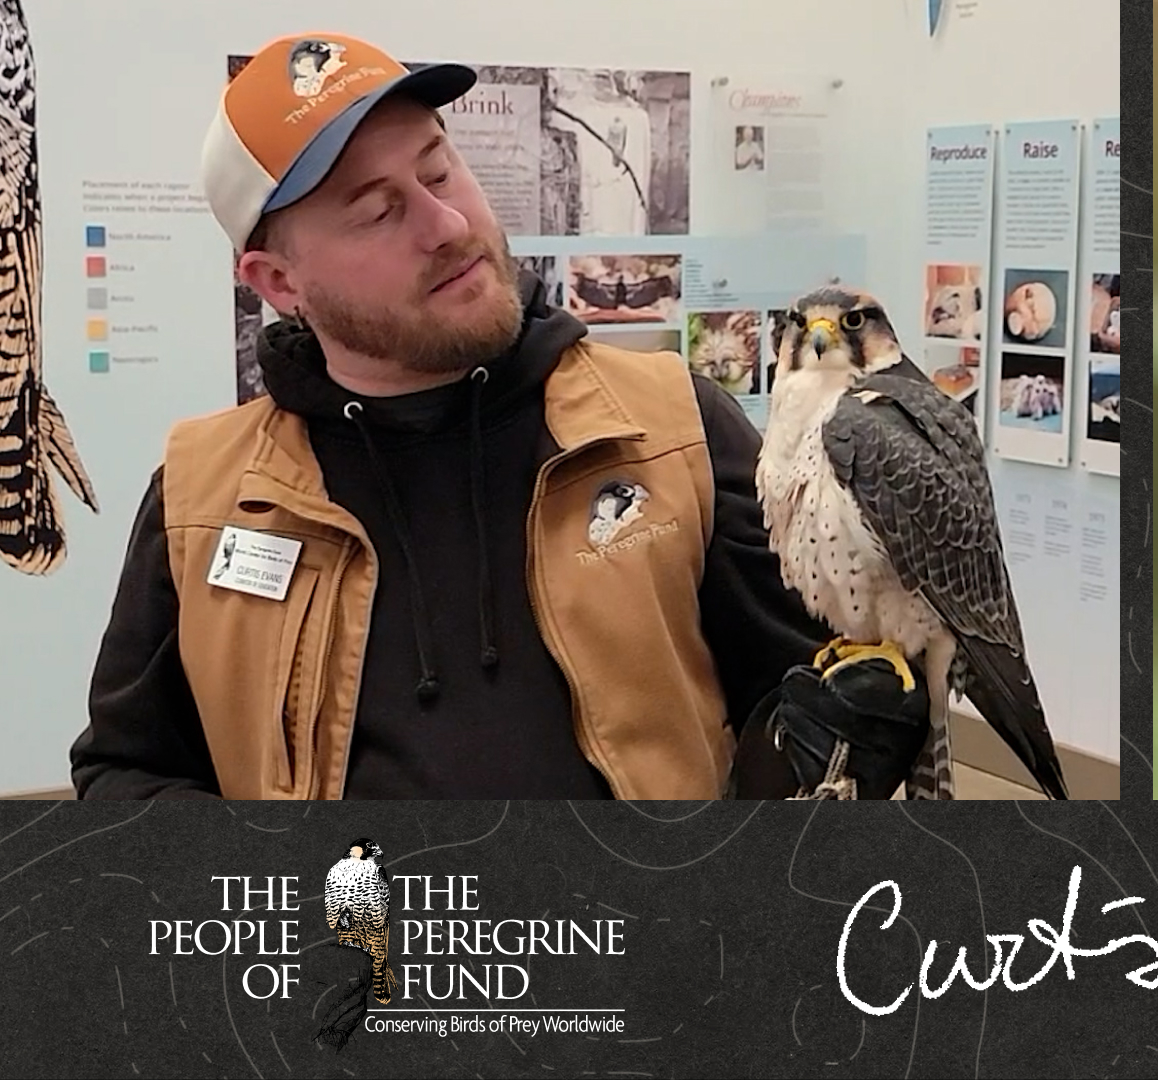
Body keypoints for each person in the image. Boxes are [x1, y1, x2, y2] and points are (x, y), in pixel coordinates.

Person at [69, 32, 923, 800]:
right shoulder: (206, 498)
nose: (445, 224)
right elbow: (131, 772)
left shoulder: (671, 430)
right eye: (377, 210)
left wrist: (838, 746)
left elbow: (796, 698)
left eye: (440, 170)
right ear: (279, 284)